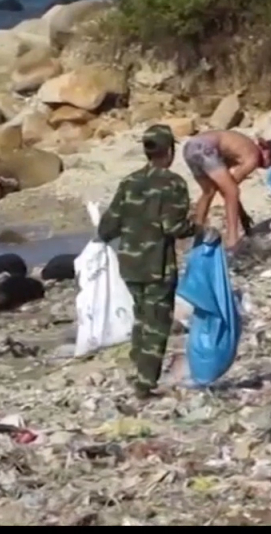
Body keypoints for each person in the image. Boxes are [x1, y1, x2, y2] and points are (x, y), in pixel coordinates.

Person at [97, 124, 217, 399]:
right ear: (170, 151)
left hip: (129, 263)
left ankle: (139, 372)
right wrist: (199, 228)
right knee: (157, 324)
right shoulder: (172, 184)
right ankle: (145, 384)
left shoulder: (129, 182)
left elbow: (107, 228)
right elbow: (173, 227)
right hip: (157, 265)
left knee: (141, 319)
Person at [182, 130, 271, 249]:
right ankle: (233, 240)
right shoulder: (254, 156)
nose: (267, 167)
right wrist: (242, 216)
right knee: (232, 191)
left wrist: (241, 213)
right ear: (266, 152)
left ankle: (197, 232)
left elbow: (225, 187)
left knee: (208, 191)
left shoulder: (241, 148)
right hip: (206, 148)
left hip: (190, 147)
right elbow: (231, 188)